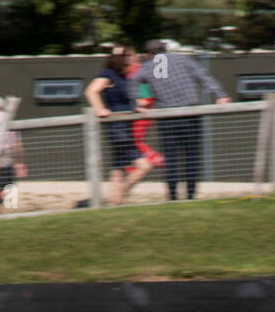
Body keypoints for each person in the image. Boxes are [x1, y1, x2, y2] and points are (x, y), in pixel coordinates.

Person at [140, 39, 231, 201]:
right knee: (191, 157)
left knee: (171, 159)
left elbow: (132, 82)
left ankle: (173, 196)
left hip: (167, 118)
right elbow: (203, 76)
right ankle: (190, 195)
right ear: (165, 49)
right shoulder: (182, 59)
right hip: (190, 115)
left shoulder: (147, 66)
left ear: (148, 55)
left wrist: (137, 102)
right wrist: (220, 95)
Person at [86, 47, 154, 205]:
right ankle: (120, 195)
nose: (133, 58)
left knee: (118, 169)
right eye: (129, 56)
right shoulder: (108, 74)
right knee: (145, 166)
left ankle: (117, 203)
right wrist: (100, 109)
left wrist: (136, 106)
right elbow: (91, 91)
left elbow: (125, 99)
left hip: (125, 127)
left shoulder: (124, 76)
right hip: (118, 129)